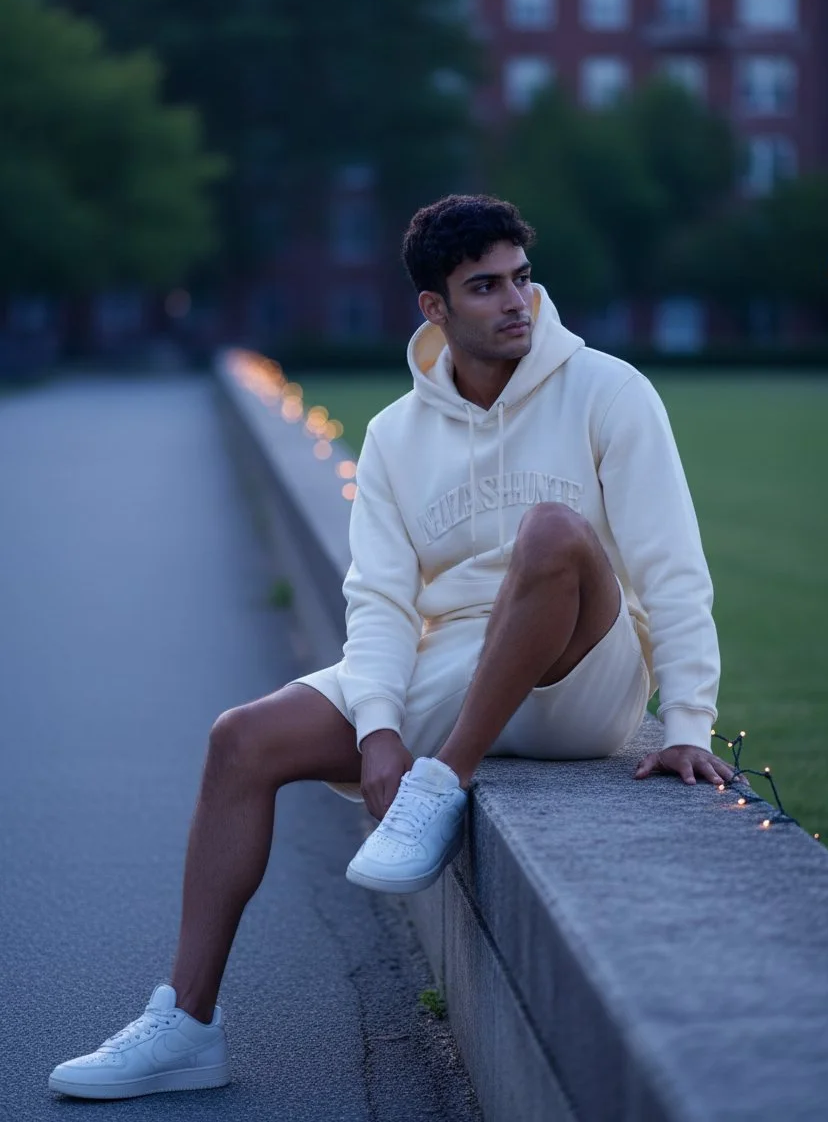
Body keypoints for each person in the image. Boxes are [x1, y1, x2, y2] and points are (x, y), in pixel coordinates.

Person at [49, 194, 738, 1100]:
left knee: (552, 532)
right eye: (485, 287)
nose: (516, 302)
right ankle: (185, 1023)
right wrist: (377, 729)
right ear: (434, 307)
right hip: (460, 660)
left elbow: (672, 567)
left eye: (522, 278)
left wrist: (686, 723)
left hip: (582, 674)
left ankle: (442, 782)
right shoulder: (393, 436)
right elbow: (377, 601)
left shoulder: (609, 391)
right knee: (240, 740)